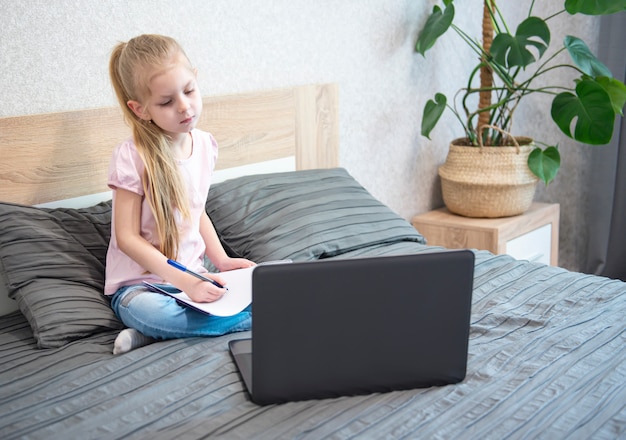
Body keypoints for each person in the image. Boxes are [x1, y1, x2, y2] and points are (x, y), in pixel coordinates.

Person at [105, 34, 255, 354]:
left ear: (196, 79)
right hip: (142, 287)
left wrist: (222, 261)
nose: (184, 106)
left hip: (194, 278)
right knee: (150, 313)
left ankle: (154, 334)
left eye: (188, 91)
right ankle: (257, 320)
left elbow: (196, 210)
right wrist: (186, 283)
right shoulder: (132, 156)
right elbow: (127, 238)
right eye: (166, 102)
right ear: (140, 109)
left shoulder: (204, 144)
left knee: (269, 284)